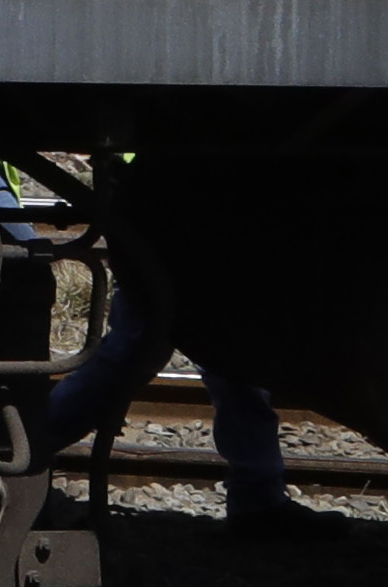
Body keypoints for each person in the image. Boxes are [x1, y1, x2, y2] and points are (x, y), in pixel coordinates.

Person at [40, 212, 309, 534]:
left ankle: (27, 450)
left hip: (177, 213)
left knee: (159, 353)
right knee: (161, 351)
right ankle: (26, 450)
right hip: (180, 215)